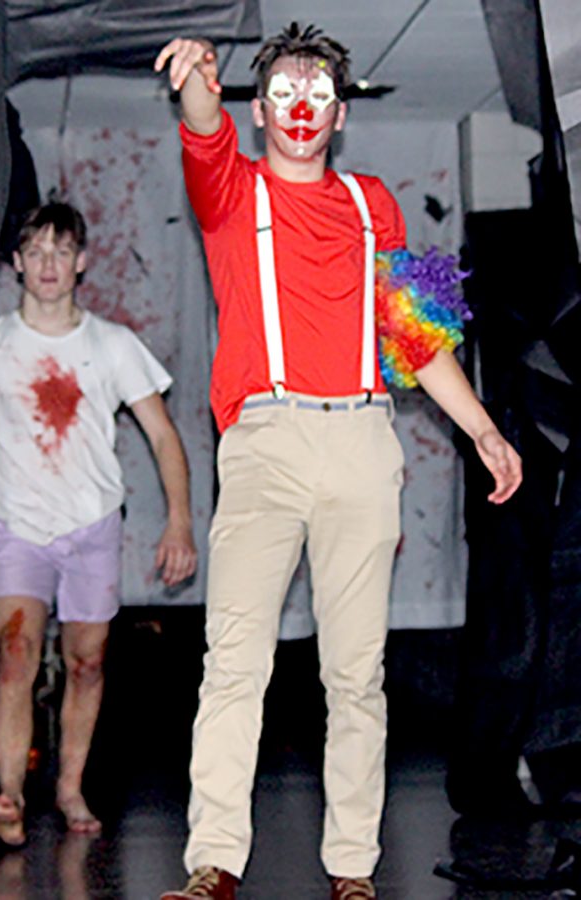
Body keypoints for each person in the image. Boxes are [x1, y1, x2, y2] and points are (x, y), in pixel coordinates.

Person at [154, 22, 522, 900]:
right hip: (264, 444)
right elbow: (203, 121)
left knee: (356, 673)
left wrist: (482, 429)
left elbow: (414, 337)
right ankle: (215, 863)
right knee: (235, 658)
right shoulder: (231, 193)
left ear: (340, 112)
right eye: (281, 92)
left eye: (315, 94)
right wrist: (198, 78)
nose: (300, 108)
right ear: (262, 110)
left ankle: (352, 867)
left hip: (363, 441)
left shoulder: (374, 204)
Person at [0, 201, 197, 846]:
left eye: (62, 251)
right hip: (17, 527)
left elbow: (164, 436)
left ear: (81, 262)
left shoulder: (113, 346)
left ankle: (71, 786)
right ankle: (9, 794)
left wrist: (181, 523)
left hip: (91, 526)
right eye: (36, 252)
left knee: (86, 663)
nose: (49, 264)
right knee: (16, 653)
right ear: (18, 263)